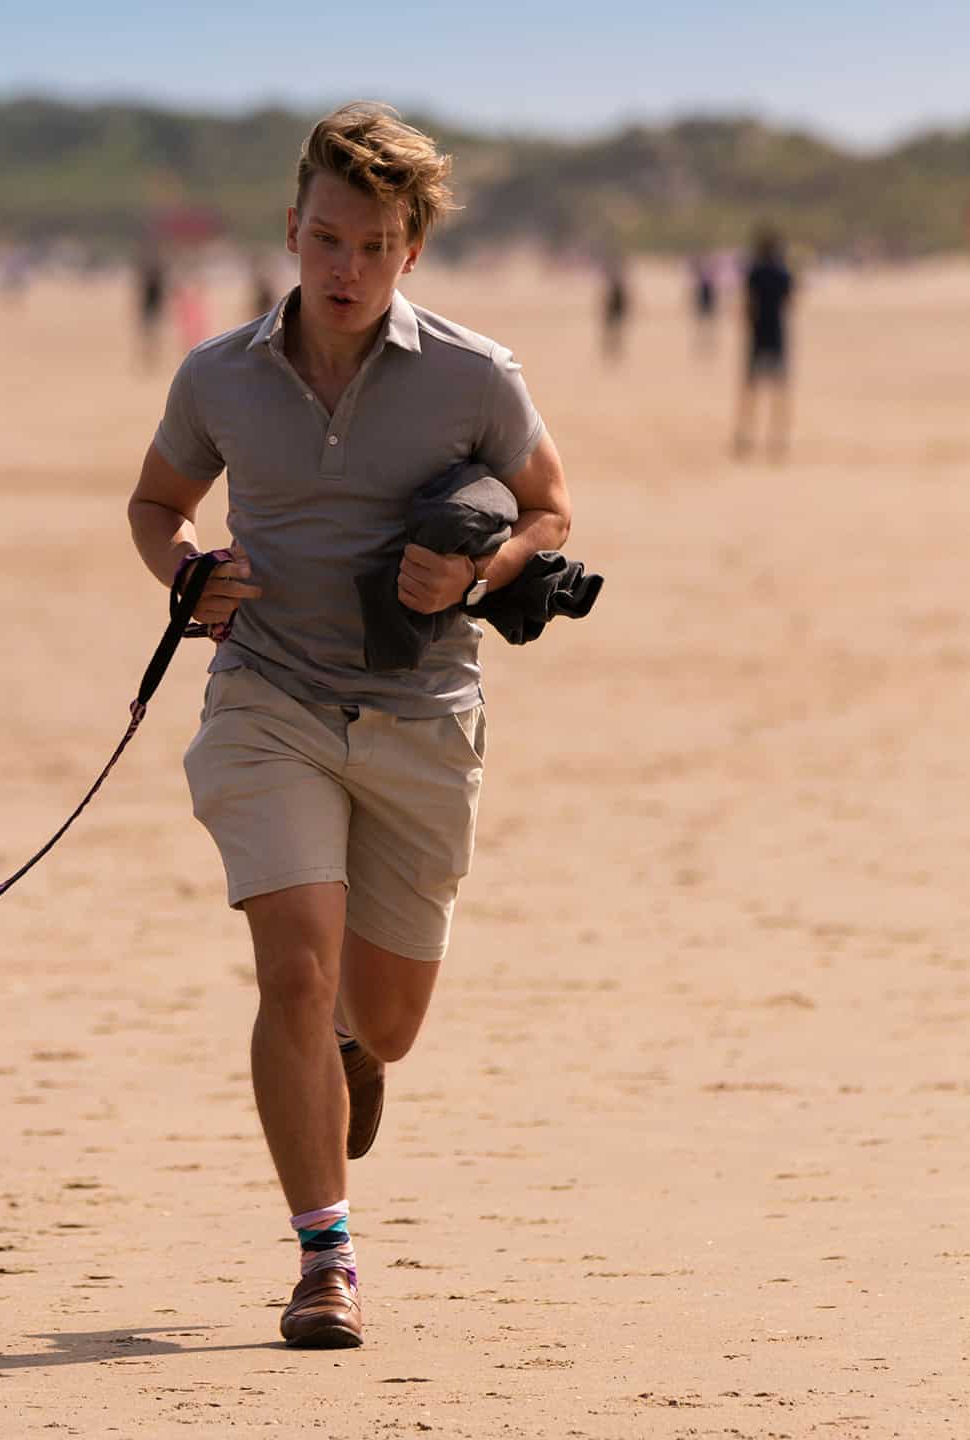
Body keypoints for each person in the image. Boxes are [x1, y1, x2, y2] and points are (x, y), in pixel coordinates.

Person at [126, 103, 573, 1349]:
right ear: (290, 230)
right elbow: (158, 502)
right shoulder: (217, 374)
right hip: (266, 696)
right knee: (293, 965)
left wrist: (476, 577)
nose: (346, 269)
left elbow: (549, 511)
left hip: (421, 713)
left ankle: (346, 1050)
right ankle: (326, 1258)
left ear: (411, 250)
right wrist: (185, 572)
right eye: (326, 239)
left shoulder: (475, 374)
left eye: (374, 246)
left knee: (380, 1020)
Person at [734, 225, 797, 459]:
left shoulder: (755, 272)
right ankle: (777, 437)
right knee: (779, 389)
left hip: (758, 334)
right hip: (777, 334)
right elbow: (791, 302)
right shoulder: (783, 273)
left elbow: (748, 303)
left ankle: (745, 436)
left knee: (751, 388)